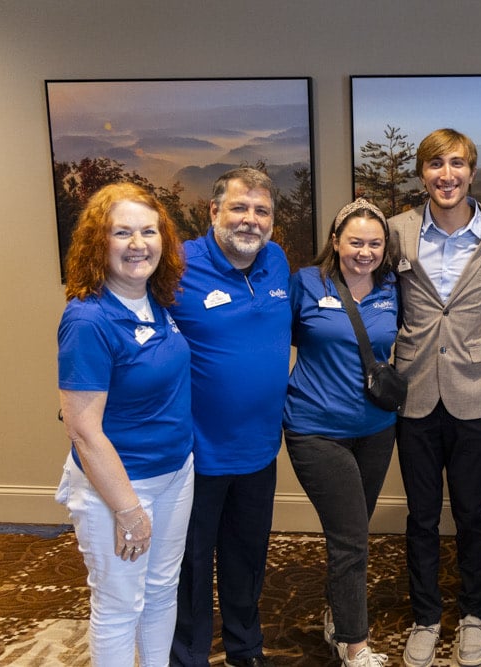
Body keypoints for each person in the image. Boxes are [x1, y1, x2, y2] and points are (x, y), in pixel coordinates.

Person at [55, 182, 194, 667]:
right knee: (118, 608)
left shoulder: (156, 300)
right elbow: (84, 431)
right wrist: (129, 511)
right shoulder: (88, 320)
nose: (138, 244)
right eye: (122, 233)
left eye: (148, 231)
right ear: (100, 243)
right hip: (120, 488)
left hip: (176, 474)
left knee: (160, 593)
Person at [388, 128, 481, 667]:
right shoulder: (395, 232)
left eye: (457, 163)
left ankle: (473, 615)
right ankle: (424, 616)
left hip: (474, 390)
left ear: (472, 172)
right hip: (413, 389)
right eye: (435, 164)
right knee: (419, 515)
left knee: (471, 512)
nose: (446, 174)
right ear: (422, 174)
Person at [169, 167, 291, 667]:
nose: (250, 220)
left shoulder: (277, 261)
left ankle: (246, 651)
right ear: (213, 211)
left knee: (246, 564)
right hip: (196, 454)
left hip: (259, 452)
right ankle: (189, 658)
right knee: (190, 571)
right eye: (239, 208)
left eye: (261, 211)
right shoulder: (176, 265)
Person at [283, 198, 400, 667]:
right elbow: (277, 337)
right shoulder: (306, 284)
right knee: (352, 538)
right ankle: (355, 645)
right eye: (355, 241)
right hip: (316, 429)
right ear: (335, 241)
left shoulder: (392, 286)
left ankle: (338, 611)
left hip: (376, 429)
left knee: (349, 532)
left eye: (375, 243)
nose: (365, 252)